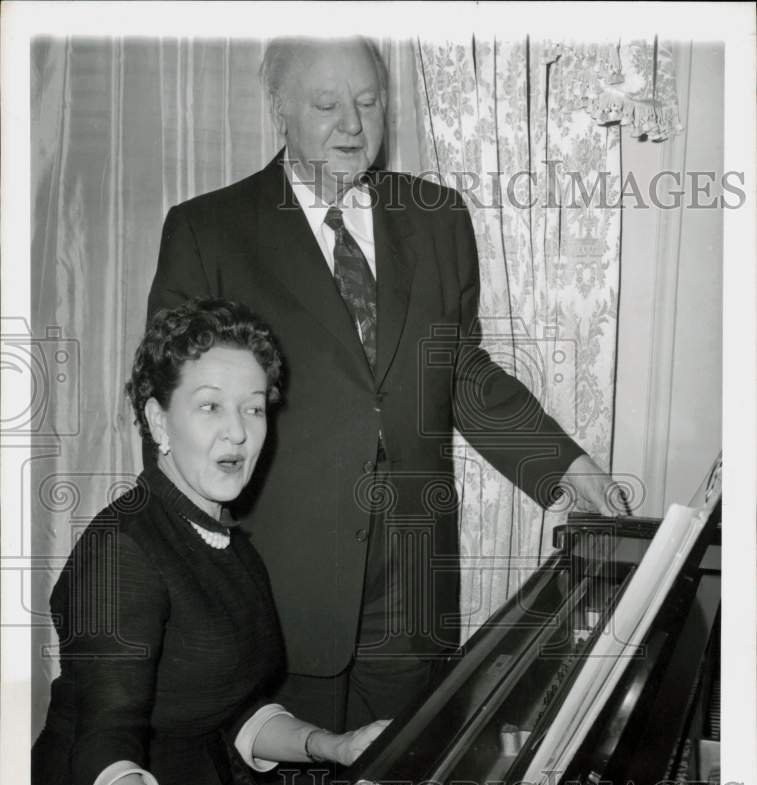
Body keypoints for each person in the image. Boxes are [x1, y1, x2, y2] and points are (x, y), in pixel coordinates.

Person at [146, 36, 620, 737]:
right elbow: (169, 407)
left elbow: (456, 368)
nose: (351, 125)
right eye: (326, 104)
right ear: (279, 110)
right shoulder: (208, 230)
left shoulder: (437, 218)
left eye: (368, 102)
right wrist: (185, 571)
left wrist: (564, 464)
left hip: (411, 582)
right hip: (276, 580)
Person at [31, 299, 388, 785]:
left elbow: (234, 708)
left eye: (252, 408)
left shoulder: (223, 536)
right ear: (158, 421)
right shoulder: (124, 551)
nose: (238, 432)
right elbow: (103, 744)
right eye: (211, 406)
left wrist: (331, 746)